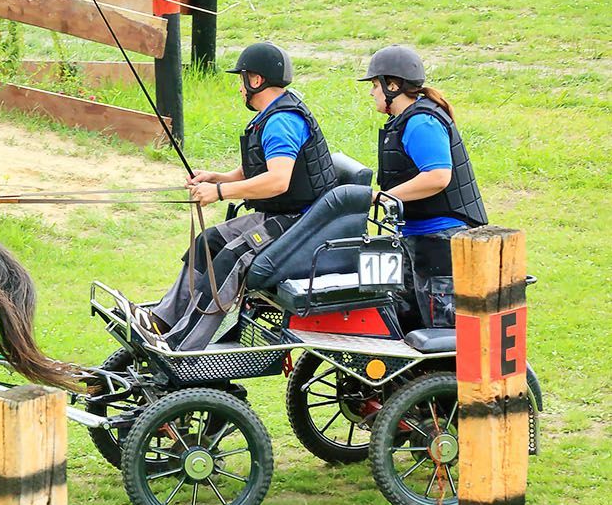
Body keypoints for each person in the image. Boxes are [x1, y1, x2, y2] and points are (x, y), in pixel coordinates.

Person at [146, 42, 338, 349]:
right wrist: (218, 177)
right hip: (279, 215)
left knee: (231, 260)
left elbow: (277, 181)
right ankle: (162, 320)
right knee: (207, 243)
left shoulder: (282, 121)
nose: (239, 88)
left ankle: (183, 344)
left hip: (299, 223)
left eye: (242, 79)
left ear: (256, 80)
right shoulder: (272, 115)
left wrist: (219, 192)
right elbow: (258, 167)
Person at [361, 45, 487, 329]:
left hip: (441, 242)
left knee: (440, 331)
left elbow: (437, 176)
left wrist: (382, 197)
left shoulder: (421, 123)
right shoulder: (405, 121)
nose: (372, 93)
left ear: (392, 85)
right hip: (420, 238)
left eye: (374, 85)